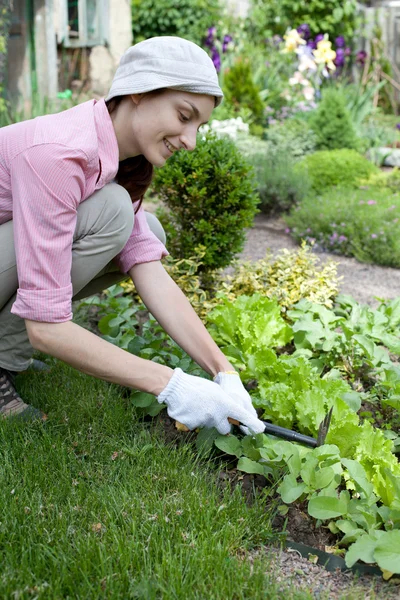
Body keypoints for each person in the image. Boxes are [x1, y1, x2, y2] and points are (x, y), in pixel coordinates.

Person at [0, 36, 265, 436]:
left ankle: (6, 347)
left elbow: (148, 269)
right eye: (183, 115)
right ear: (139, 92)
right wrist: (172, 386)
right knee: (113, 212)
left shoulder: (114, 156)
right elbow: (47, 327)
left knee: (144, 231)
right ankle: (4, 356)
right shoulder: (58, 155)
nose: (190, 141)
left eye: (199, 126)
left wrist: (222, 370)